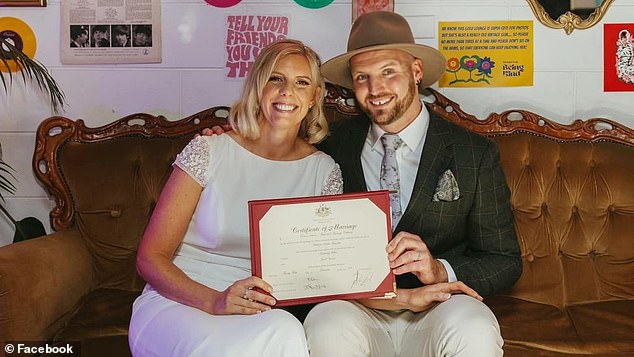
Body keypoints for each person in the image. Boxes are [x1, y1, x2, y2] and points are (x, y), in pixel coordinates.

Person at [301, 11, 522, 356]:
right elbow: (274, 151)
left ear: (416, 72)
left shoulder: (473, 153)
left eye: (389, 72)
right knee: (326, 323)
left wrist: (439, 270)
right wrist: (229, 138)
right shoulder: (331, 145)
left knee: (476, 328)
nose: (375, 90)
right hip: (359, 308)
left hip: (441, 305)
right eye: (363, 77)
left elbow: (504, 259)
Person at [128, 39, 343, 357]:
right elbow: (150, 258)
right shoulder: (210, 150)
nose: (287, 92)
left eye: (301, 82)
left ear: (314, 98)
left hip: (257, 310)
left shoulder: (324, 172)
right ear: (259, 86)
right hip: (179, 300)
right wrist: (215, 300)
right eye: (276, 78)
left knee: (287, 332)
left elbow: (321, 267)